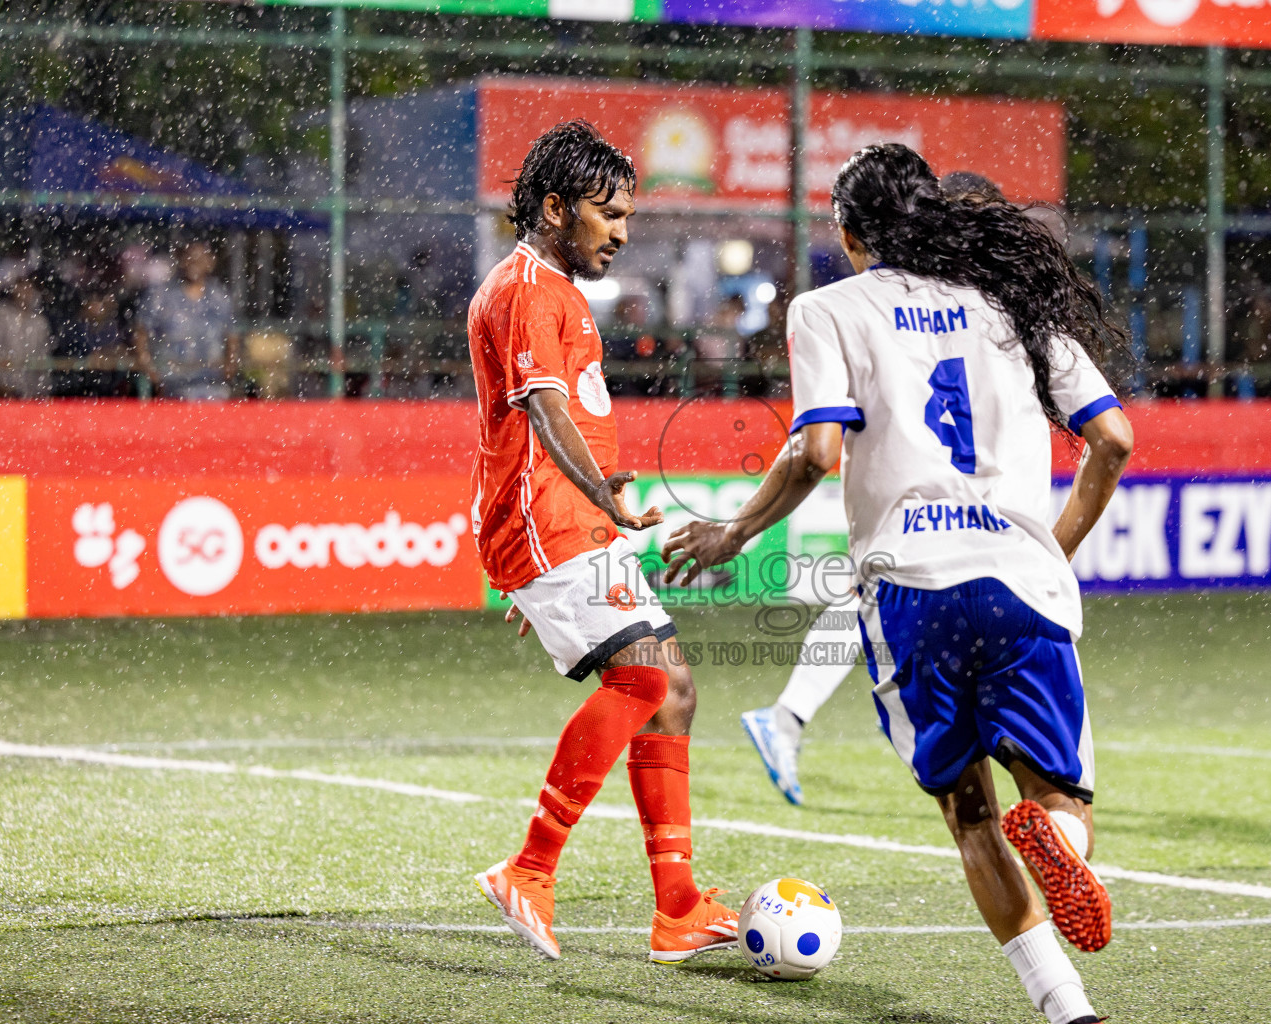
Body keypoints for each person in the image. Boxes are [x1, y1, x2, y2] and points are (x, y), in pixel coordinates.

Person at [662, 144, 1133, 1024]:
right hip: (1021, 580)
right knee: (1058, 797)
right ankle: (1063, 846)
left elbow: (819, 451)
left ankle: (1066, 1008)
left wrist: (734, 531)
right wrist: (1051, 548)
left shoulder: (830, 309)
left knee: (969, 812)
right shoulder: (1012, 304)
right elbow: (1113, 439)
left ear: (847, 234)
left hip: (913, 587)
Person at [466, 120, 737, 965]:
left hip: (572, 529)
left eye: (626, 215)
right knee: (646, 675)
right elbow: (543, 412)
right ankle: (530, 869)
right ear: (554, 208)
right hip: (547, 525)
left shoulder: (557, 289)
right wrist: (606, 502)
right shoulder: (520, 290)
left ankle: (679, 908)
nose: (621, 232)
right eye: (606, 213)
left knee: (674, 690)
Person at [738, 171, 1057, 806]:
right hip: (956, 532)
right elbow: (1111, 436)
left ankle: (787, 717)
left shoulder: (986, 306)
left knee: (872, 601)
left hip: (966, 534)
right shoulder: (961, 306)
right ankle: (788, 718)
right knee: (876, 599)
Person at [133, 240, 240, 399]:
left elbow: (232, 336)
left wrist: (230, 365)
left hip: (213, 385)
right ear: (181, 260)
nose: (194, 264)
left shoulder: (220, 297)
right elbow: (140, 334)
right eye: (189, 258)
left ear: (211, 262)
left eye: (200, 259)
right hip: (172, 386)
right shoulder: (160, 296)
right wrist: (151, 371)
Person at [0, 276, 53, 398]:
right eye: (22, 287)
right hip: (3, 390)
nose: (25, 292)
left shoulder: (40, 322)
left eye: (29, 288)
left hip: (31, 391)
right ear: (13, 290)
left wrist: (42, 388)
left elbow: (43, 356)